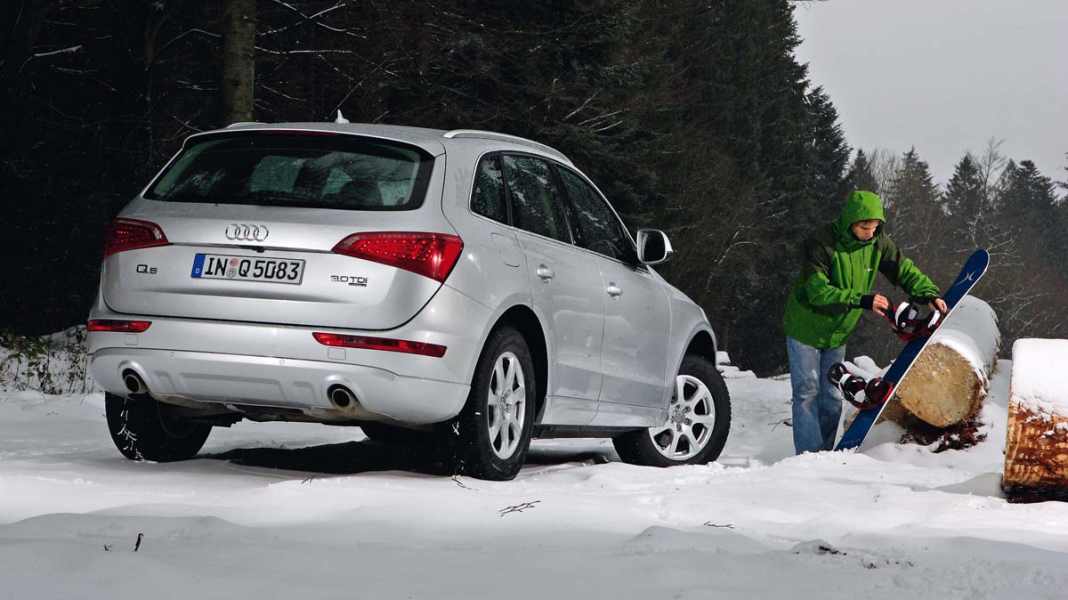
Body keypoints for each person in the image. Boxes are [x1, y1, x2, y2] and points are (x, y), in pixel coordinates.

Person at [782, 190, 948, 454]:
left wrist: (929, 293)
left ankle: (822, 455)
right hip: (806, 326)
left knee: (833, 397)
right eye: (863, 227)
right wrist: (861, 299)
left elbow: (903, 269)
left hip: (838, 331)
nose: (869, 232)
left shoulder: (878, 243)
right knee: (807, 393)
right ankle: (806, 457)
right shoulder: (822, 243)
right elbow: (816, 291)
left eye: (874, 227)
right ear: (850, 221)